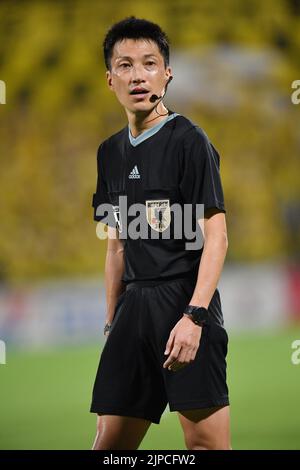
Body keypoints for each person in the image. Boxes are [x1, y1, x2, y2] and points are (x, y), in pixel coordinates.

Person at [90, 16, 231, 450]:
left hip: (183, 303)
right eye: (126, 65)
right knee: (109, 445)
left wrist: (194, 317)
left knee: (204, 445)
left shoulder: (189, 140)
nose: (138, 75)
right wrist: (113, 320)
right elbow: (116, 246)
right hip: (133, 309)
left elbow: (217, 236)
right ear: (110, 78)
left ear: (167, 74)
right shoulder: (109, 152)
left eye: (150, 64)